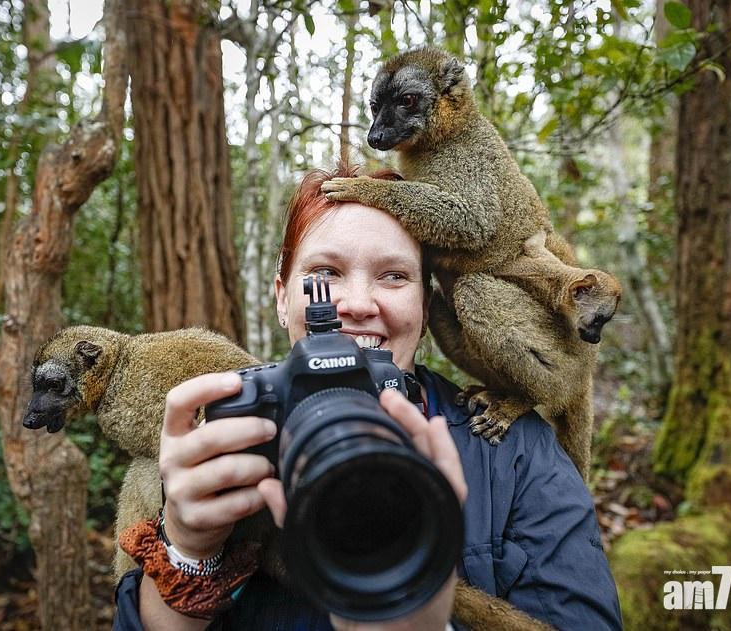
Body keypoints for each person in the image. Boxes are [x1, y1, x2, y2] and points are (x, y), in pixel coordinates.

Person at [112, 163, 623, 630]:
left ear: (426, 306)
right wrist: (188, 551)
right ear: (283, 298)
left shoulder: (517, 453)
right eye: (324, 275)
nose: (357, 305)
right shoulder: (229, 437)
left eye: (394, 276)